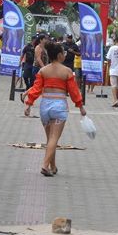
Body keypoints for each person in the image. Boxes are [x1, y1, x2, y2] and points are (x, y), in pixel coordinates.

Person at [24, 42, 86, 176]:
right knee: (54, 139)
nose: (64, 55)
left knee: (50, 139)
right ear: (59, 56)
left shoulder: (43, 70)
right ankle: (45, 166)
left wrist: (29, 104)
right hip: (59, 106)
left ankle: (53, 166)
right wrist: (80, 106)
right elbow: (74, 92)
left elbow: (36, 89)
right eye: (63, 53)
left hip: (45, 105)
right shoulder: (67, 71)